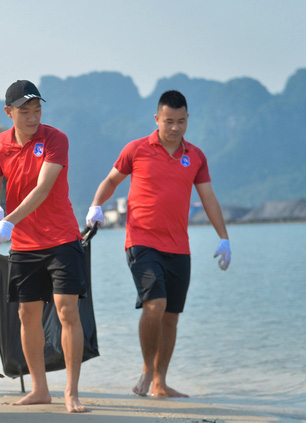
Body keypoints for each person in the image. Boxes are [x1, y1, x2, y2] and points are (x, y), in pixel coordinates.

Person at [86, 90, 231, 398]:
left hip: (179, 247)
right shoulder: (137, 149)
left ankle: (159, 384)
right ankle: (146, 370)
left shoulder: (196, 156)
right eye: (169, 121)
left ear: (188, 119)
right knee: (155, 305)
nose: (175, 128)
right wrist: (96, 204)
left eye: (181, 121)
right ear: (157, 119)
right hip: (141, 241)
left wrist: (224, 237)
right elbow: (112, 180)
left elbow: (208, 198)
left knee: (172, 317)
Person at [0, 80, 88, 413]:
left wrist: (9, 221)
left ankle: (71, 391)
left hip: (61, 239)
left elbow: (43, 188)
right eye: (25, 111)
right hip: (25, 245)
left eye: (37, 110)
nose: (33, 118)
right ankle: (40, 389)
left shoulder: (56, 139)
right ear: (9, 112)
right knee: (26, 314)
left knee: (66, 310)